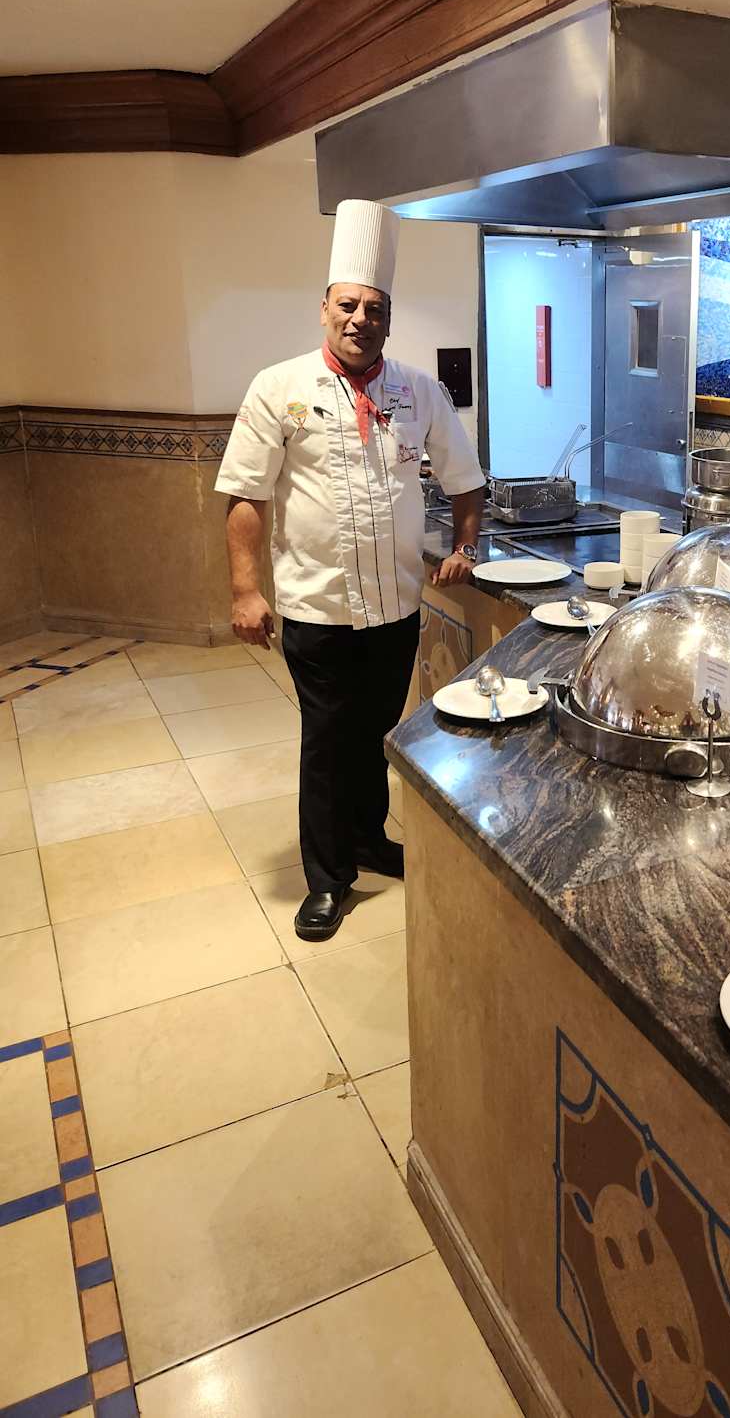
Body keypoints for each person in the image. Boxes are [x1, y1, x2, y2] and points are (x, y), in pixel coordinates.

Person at [215, 199, 485, 940]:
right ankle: (328, 878)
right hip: (317, 607)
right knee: (328, 741)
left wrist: (466, 548)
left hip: (396, 605)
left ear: (388, 320)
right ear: (325, 309)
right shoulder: (280, 387)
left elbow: (465, 480)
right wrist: (245, 590)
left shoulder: (418, 391)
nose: (360, 319)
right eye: (348, 305)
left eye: (374, 308)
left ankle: (368, 839)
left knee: (377, 731)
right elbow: (245, 495)